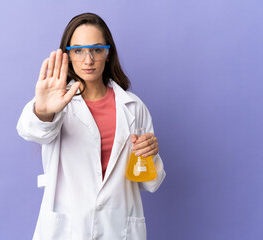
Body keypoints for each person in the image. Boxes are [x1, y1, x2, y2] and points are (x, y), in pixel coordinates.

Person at [17, 12, 166, 240]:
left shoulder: (134, 108)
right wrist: (44, 111)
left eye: (96, 49)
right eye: (78, 50)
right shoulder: (57, 102)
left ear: (108, 53)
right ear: (67, 55)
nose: (88, 60)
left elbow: (150, 183)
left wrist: (150, 154)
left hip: (118, 229)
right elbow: (31, 130)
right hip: (67, 230)